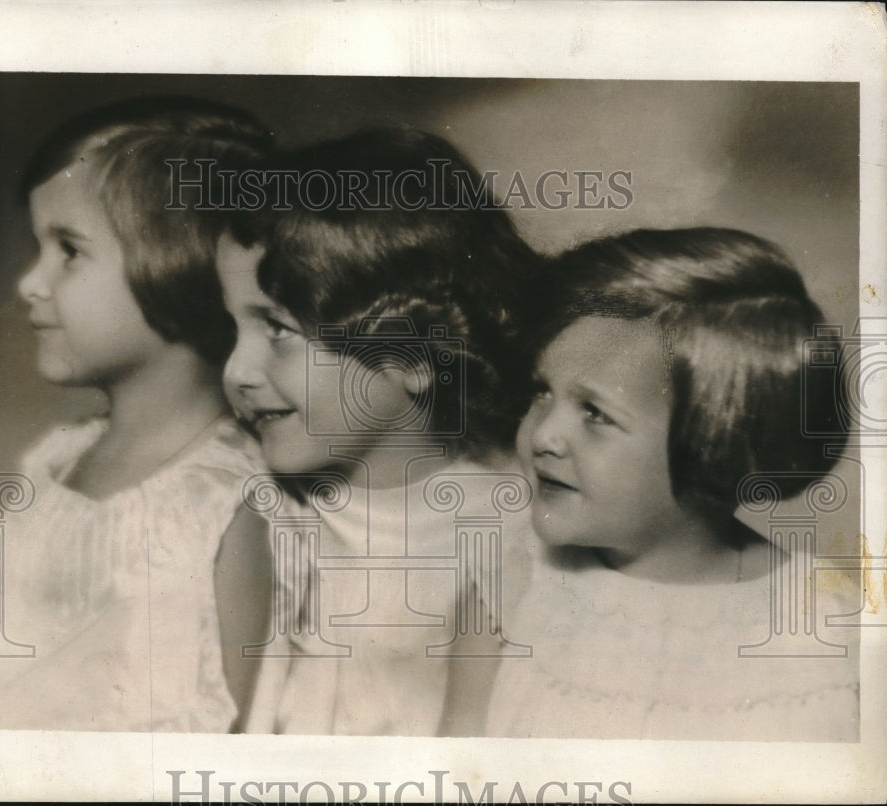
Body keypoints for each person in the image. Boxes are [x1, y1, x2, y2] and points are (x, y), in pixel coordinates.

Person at [0, 97, 273, 732]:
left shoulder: (220, 505)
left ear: (178, 265)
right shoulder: (58, 458)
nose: (30, 282)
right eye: (38, 248)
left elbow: (203, 741)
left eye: (68, 251)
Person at [216, 127, 541, 735]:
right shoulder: (258, 503)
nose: (237, 371)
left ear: (414, 353)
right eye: (233, 328)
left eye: (278, 329)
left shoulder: (508, 528)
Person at [485, 227, 860, 740]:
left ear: (717, 439)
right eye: (541, 392)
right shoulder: (513, 574)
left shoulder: (823, 625)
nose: (544, 433)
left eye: (595, 413)